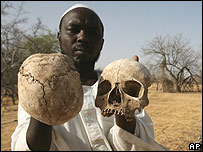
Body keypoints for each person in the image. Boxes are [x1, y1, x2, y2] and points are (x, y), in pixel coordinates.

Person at [11, 4, 169, 151]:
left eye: (92, 33)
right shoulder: (35, 87)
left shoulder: (116, 86)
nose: (83, 37)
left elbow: (142, 141)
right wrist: (43, 96)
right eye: (74, 29)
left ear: (101, 43)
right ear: (59, 37)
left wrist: (125, 105)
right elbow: (23, 145)